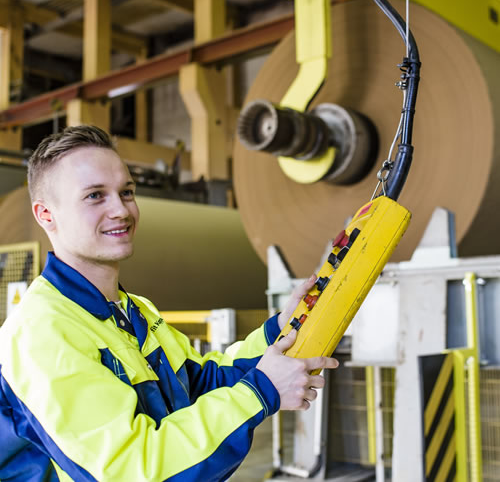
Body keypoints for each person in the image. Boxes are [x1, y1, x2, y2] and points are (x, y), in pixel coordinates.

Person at [0, 125, 338, 481]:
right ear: (45, 215)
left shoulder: (133, 311)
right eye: (95, 196)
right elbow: (131, 469)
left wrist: (281, 329)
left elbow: (204, 381)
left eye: (126, 192)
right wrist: (261, 392)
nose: (121, 210)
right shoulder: (42, 331)